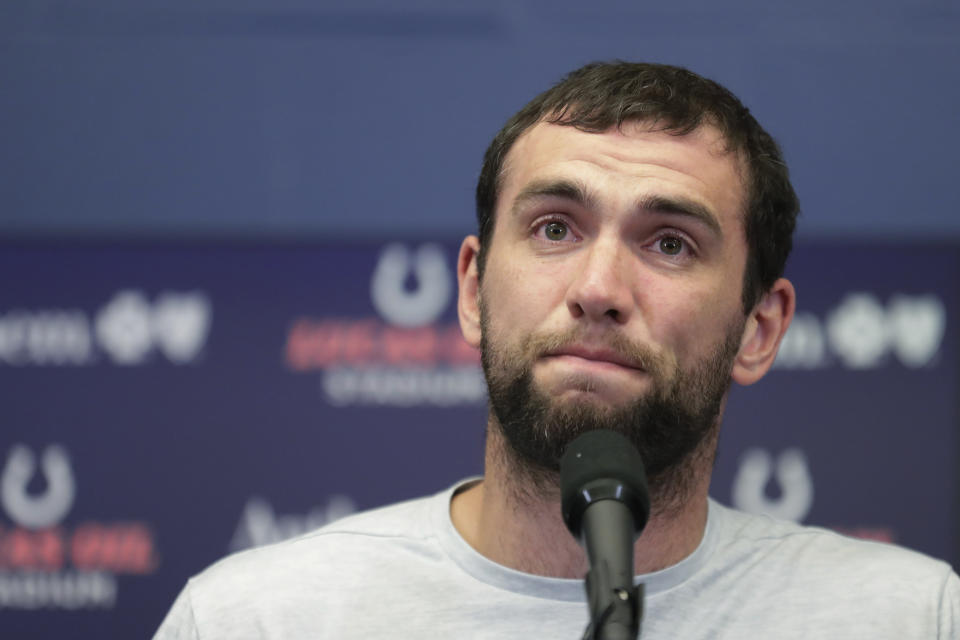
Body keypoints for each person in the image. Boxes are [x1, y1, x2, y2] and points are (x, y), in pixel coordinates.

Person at [154, 61, 959, 639]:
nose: (599, 286)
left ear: (759, 329)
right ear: (472, 291)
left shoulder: (910, 618)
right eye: (553, 229)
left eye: (671, 244)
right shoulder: (257, 620)